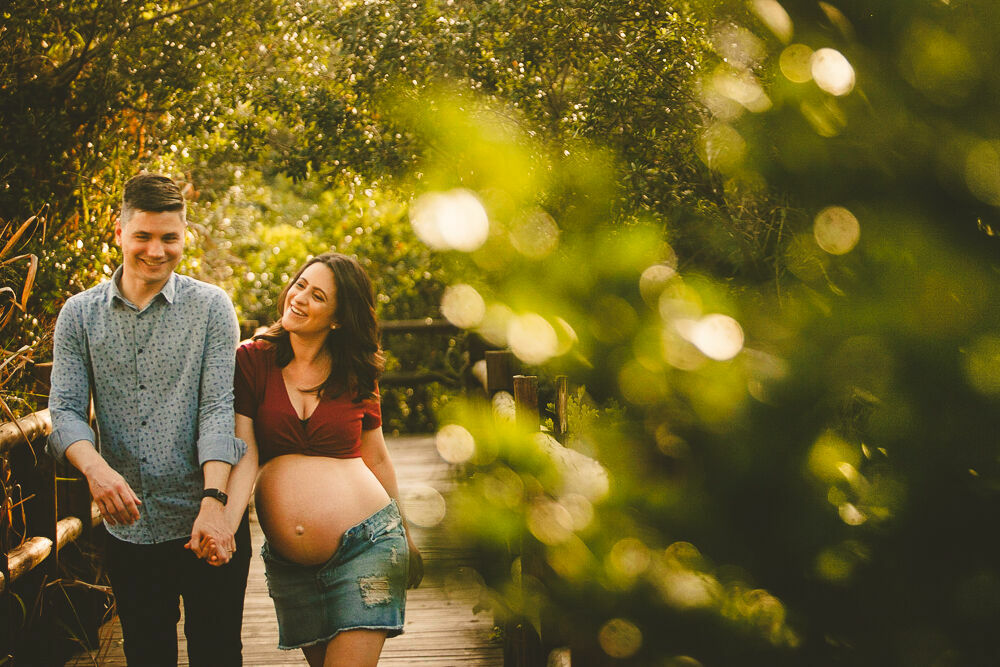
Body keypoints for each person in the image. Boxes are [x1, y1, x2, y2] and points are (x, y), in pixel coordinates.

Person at [47, 172, 256, 666]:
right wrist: (96, 471)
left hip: (208, 520)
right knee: (146, 654)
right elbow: (65, 410)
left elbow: (216, 408)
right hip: (131, 528)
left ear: (185, 237)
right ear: (119, 233)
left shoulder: (211, 308)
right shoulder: (78, 316)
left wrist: (214, 503)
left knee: (218, 654)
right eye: (143, 236)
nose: (156, 250)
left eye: (169, 238)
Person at [232, 251, 423, 667]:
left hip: (368, 545)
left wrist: (407, 533)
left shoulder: (355, 370)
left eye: (317, 296)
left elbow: (377, 457)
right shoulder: (251, 358)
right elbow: (241, 450)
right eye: (300, 284)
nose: (299, 298)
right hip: (292, 567)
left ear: (337, 318)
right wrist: (225, 521)